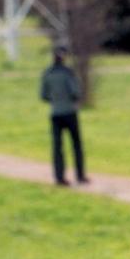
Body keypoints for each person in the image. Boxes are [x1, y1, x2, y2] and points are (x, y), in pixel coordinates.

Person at [40, 46, 89, 186]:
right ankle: (80, 175)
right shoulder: (68, 73)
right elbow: (76, 92)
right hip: (70, 112)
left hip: (55, 113)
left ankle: (59, 177)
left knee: (57, 147)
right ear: (64, 58)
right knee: (76, 145)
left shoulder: (47, 73)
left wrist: (55, 100)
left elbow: (43, 95)